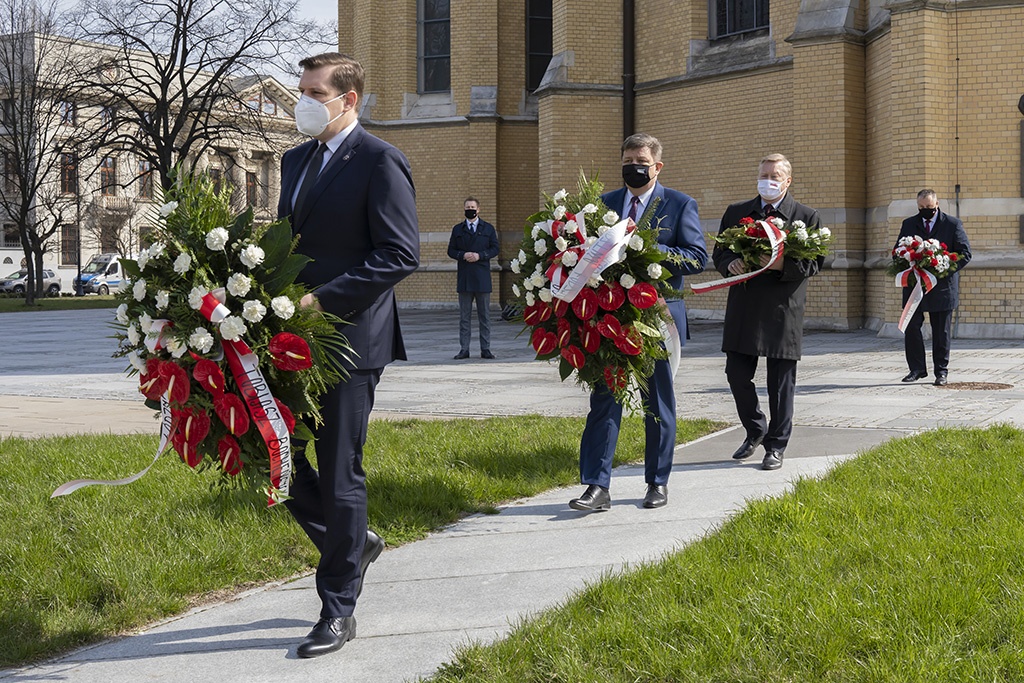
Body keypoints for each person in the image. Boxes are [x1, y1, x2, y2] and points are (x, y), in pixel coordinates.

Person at [276, 52, 420, 658]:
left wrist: (321, 301)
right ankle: (354, 543)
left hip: (351, 340)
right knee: (275, 459)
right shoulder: (294, 160)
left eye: (314, 92)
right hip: (290, 341)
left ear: (349, 99)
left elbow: (398, 254)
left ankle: (337, 607)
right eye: (300, 90)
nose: (302, 102)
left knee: (339, 473)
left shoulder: (380, 161)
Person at [569, 133, 707, 512]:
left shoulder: (679, 204)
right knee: (604, 401)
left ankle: (656, 482)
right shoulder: (605, 204)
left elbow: (696, 257)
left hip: (658, 320)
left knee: (657, 404)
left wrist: (646, 247)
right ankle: (596, 486)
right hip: (611, 318)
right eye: (628, 159)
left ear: (657, 166)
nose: (633, 166)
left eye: (641, 160)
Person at [712, 153, 822, 471]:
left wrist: (780, 264)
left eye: (774, 176)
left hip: (782, 310)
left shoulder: (806, 216)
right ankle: (755, 428)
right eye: (763, 174)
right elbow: (719, 251)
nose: (768, 181)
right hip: (744, 307)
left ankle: (776, 446)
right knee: (735, 374)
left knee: (780, 383)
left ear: (787, 180)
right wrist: (727, 263)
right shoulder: (737, 213)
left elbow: (814, 262)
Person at [895, 189, 972, 386]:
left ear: (936, 204)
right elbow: (897, 252)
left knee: (941, 332)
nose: (925, 211)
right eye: (921, 208)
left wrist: (942, 267)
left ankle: (941, 372)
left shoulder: (953, 224)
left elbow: (965, 253)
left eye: (929, 207)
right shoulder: (909, 224)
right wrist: (908, 260)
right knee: (911, 328)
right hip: (915, 286)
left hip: (942, 287)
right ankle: (917, 369)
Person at [447, 197, 499, 359]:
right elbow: (451, 250)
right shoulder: (458, 229)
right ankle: (464, 349)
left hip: (482, 278)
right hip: (465, 279)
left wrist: (480, 255)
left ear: (478, 209)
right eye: (467, 207)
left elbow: (495, 248)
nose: (470, 209)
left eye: (472, 207)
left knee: (484, 317)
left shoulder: (488, 229)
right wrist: (463, 255)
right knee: (465, 317)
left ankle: (486, 348)